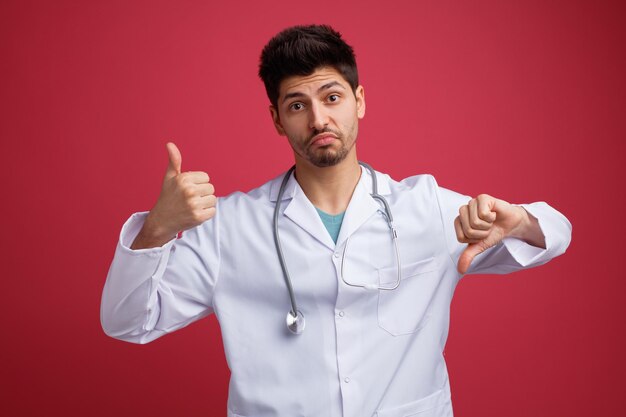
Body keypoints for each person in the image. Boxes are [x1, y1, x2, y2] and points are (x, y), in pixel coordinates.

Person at [101, 24, 572, 417]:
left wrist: (522, 221)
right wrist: (157, 230)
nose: (319, 119)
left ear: (359, 100)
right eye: (298, 105)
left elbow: (557, 232)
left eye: (332, 97)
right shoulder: (231, 227)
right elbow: (126, 322)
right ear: (277, 119)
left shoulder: (426, 208)